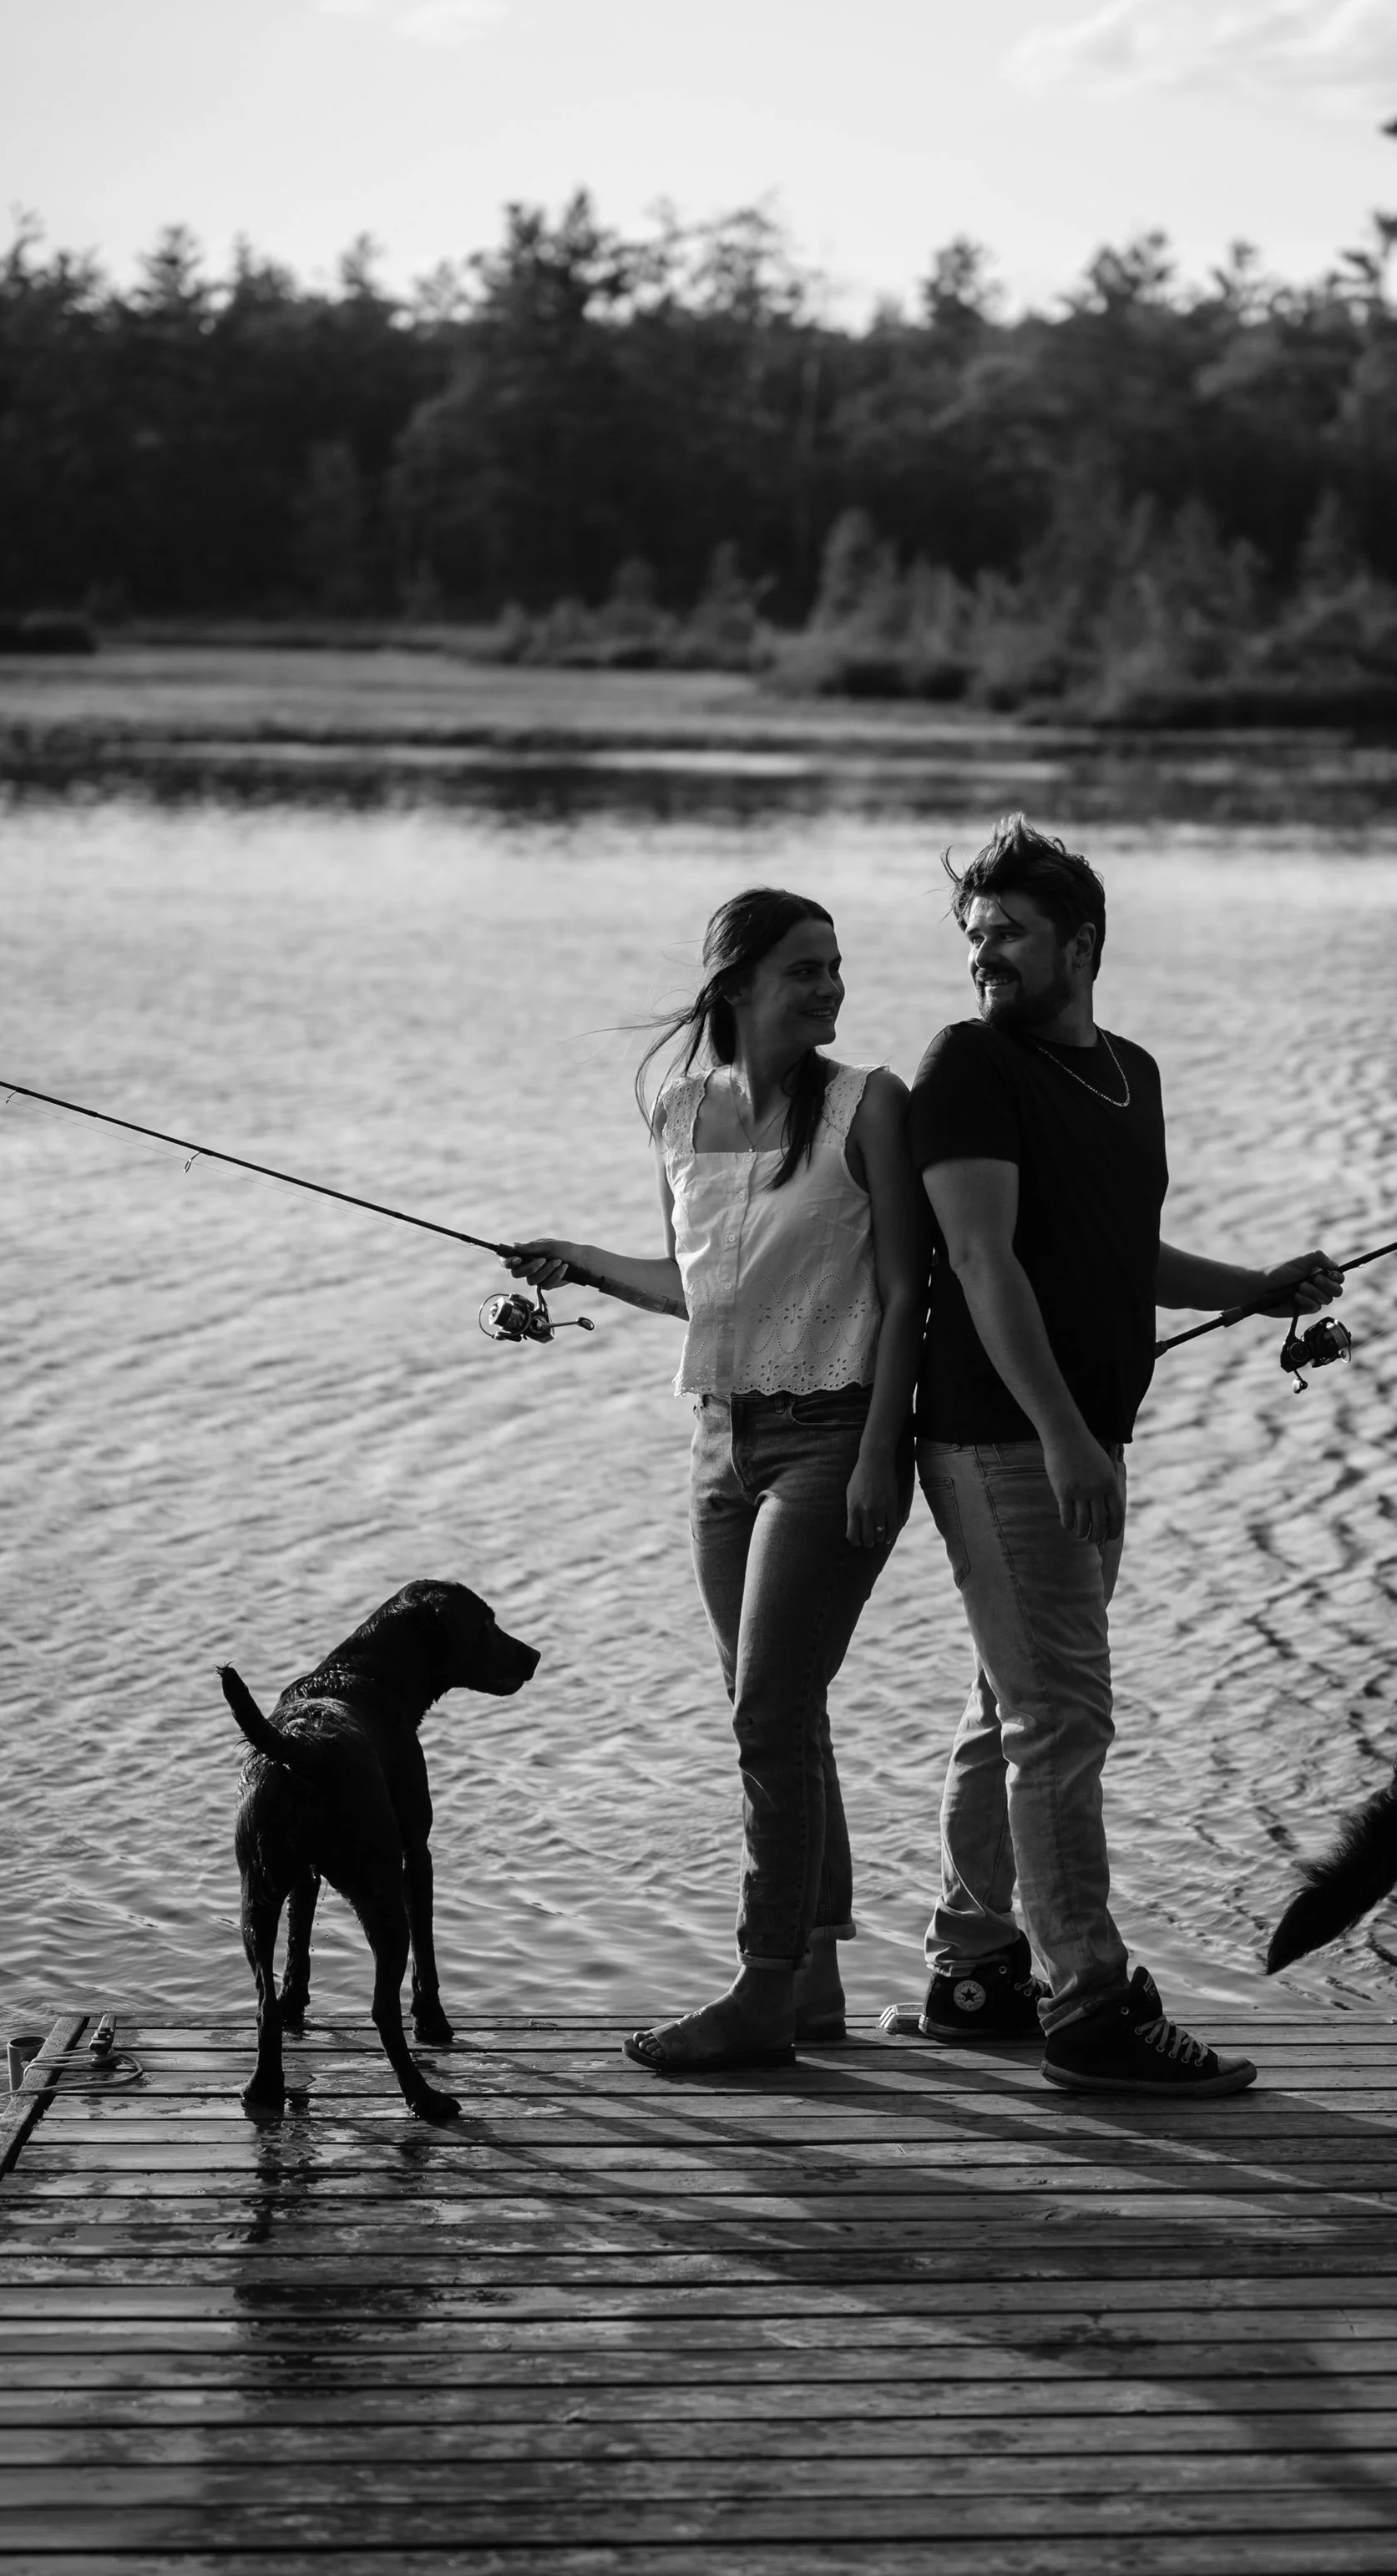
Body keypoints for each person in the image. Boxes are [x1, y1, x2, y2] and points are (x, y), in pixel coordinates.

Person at [908, 815, 1344, 2098]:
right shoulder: (969, 1067)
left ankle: (976, 1964)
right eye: (976, 932)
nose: (985, 952)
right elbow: (982, 1262)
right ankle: (1088, 2005)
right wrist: (1060, 1437)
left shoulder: (1131, 1073)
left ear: (1081, 944)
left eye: (1011, 932)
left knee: (1012, 1709)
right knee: (1063, 1720)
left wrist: (1257, 1289)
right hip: (1004, 1436)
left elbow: (1120, 1255)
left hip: (1079, 1436)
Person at [507, 888, 926, 2073]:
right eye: (806, 969)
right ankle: (820, 1982)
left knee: (766, 1718)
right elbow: (701, 1287)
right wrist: (584, 1262)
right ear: (737, 985)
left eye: (836, 967)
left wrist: (884, 1448)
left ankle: (759, 1985)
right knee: (781, 1710)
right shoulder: (682, 1111)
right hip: (720, 1443)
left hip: (834, 1434)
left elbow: (907, 1293)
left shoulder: (868, 1104)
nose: (832, 988)